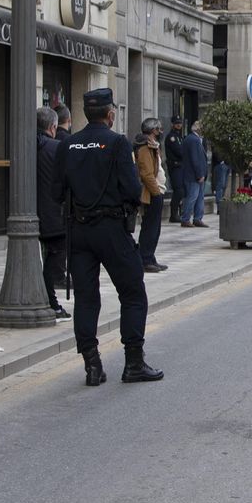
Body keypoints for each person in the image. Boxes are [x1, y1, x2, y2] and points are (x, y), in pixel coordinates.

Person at [51, 88, 163, 385]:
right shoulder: (116, 143)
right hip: (111, 229)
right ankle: (133, 363)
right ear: (110, 115)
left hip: (79, 231)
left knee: (86, 298)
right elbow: (130, 189)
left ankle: (92, 365)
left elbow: (55, 192)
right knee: (133, 293)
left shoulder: (68, 145)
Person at [35, 107, 69, 318]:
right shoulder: (57, 149)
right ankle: (51, 303)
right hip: (54, 215)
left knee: (46, 258)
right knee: (54, 259)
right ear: (53, 127)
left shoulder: (28, 145)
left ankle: (48, 300)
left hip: (31, 214)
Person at [132, 117, 168, 273]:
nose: (160, 132)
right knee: (150, 228)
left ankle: (150, 257)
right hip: (152, 193)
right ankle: (145, 259)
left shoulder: (152, 146)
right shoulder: (145, 147)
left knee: (155, 228)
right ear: (153, 130)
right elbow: (147, 174)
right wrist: (156, 193)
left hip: (157, 191)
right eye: (158, 129)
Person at [179, 121, 208, 227]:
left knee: (199, 197)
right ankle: (186, 218)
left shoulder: (193, 139)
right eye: (202, 127)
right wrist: (199, 174)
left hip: (195, 174)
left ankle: (197, 218)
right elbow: (195, 159)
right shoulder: (194, 140)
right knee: (193, 196)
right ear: (198, 129)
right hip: (193, 175)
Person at [164, 116, 186, 224]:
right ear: (172, 124)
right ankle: (173, 214)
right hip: (175, 166)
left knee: (181, 190)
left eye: (180, 123)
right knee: (178, 190)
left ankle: (177, 213)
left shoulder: (179, 137)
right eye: (176, 123)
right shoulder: (171, 137)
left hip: (180, 166)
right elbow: (180, 152)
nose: (178, 125)